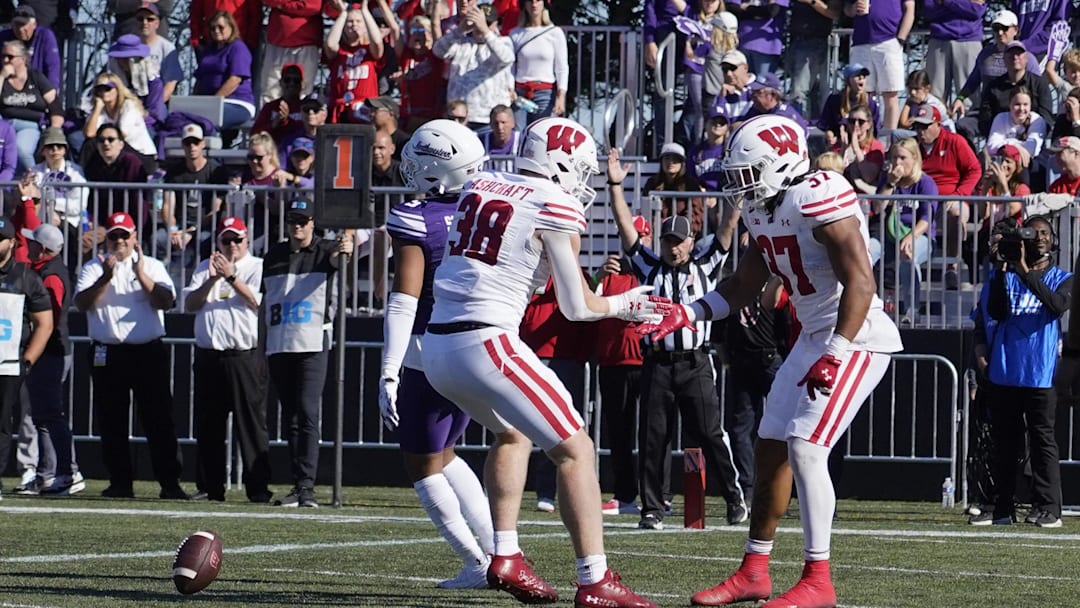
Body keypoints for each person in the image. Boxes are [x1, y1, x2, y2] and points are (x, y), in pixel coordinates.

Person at [643, 114, 903, 607]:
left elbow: (862, 282)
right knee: (769, 447)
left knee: (806, 447)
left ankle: (818, 581)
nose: (740, 186)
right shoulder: (764, 209)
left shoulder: (819, 193)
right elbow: (744, 285)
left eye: (747, 173)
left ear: (780, 163)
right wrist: (690, 312)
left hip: (857, 336)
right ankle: (755, 570)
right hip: (813, 339)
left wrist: (836, 352)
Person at [420, 116, 660, 607]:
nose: (585, 183)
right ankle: (595, 579)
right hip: (487, 341)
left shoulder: (481, 183)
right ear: (564, 162)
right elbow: (577, 307)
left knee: (514, 433)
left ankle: (504, 554)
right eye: (583, 170)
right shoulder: (555, 202)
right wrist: (627, 303)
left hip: (439, 346)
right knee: (577, 450)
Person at [381, 120, 496, 587]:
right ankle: (498, 552)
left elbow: (404, 298)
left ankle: (478, 562)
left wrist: (388, 370)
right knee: (446, 454)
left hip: (429, 349)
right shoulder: (488, 208)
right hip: (481, 343)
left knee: (422, 461)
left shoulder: (415, 216)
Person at [607, 150, 747, 531]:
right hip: (656, 363)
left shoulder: (705, 264)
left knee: (709, 433)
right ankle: (652, 508)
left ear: (690, 242)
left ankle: (735, 499)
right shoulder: (650, 265)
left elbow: (727, 230)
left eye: (679, 241)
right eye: (668, 240)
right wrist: (616, 186)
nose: (672, 246)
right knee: (653, 438)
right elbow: (625, 228)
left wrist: (737, 192)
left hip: (695, 363)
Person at [74, 211, 188, 499]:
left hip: (146, 350)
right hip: (107, 351)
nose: (120, 241)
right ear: (107, 239)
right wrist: (106, 278)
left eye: (125, 235)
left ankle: (170, 483)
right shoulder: (93, 266)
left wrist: (140, 274)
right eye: (114, 236)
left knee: (158, 419)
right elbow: (82, 303)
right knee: (111, 420)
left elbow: (166, 301)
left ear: (135, 237)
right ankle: (120, 481)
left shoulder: (152, 265)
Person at [969, 215, 1070, 528]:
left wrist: (1024, 270)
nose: (1040, 238)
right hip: (1005, 371)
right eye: (1034, 233)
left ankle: (1048, 508)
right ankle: (1001, 507)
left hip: (1040, 373)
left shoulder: (1064, 277)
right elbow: (997, 311)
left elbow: (1056, 305)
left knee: (1043, 442)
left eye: (1045, 233)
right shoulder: (1007, 275)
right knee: (1005, 444)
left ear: (1053, 241)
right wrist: (1004, 269)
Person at [262, 200, 353, 508]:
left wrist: (346, 248)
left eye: (303, 220)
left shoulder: (326, 249)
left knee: (307, 412)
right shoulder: (274, 254)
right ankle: (297, 485)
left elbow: (341, 261)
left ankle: (307, 487)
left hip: (313, 341)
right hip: (279, 342)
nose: (297, 226)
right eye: (293, 221)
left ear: (314, 222)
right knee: (290, 417)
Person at [184, 217, 272, 503]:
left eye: (237, 240)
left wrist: (232, 277)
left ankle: (258, 488)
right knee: (209, 427)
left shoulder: (257, 267)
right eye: (226, 240)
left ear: (246, 241)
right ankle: (211, 487)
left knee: (251, 425)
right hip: (210, 355)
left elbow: (258, 303)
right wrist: (212, 277)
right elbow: (189, 305)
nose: (232, 245)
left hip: (243, 355)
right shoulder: (203, 267)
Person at [22, 223, 83, 495]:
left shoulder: (51, 276)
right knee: (43, 416)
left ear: (43, 249)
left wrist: (33, 350)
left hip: (51, 352)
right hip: (49, 351)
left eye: (33, 243)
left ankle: (68, 471)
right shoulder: (47, 270)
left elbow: (50, 320)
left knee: (51, 415)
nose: (29, 246)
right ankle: (48, 473)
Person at [720, 274, 792, 499]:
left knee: (777, 426)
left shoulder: (735, 288)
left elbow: (784, 324)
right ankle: (753, 488)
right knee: (747, 427)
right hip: (754, 361)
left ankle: (768, 487)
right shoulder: (733, 288)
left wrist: (727, 361)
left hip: (764, 359)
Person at [0, 216, 52, 501]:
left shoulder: (25, 277)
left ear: (12, 242)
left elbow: (44, 322)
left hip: (8, 361)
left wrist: (27, 360)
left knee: (3, 424)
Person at [870, 137, 938, 324]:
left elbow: (927, 217)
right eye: (894, 158)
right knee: (866, 251)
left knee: (909, 254)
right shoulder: (888, 179)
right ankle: (866, 306)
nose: (897, 163)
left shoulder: (925, 182)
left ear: (914, 159)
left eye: (902, 158)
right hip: (889, 236)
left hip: (919, 235)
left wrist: (911, 236)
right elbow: (877, 208)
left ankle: (911, 311)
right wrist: (890, 184)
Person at [913, 105, 981, 289]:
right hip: (920, 202)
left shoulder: (955, 142)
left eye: (925, 126)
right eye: (917, 127)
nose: (921, 131)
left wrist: (959, 194)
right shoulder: (912, 146)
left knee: (956, 212)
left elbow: (974, 170)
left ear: (938, 124)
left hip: (951, 198)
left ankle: (951, 267)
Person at [433, 0, 514, 129]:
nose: (480, 27)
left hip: (489, 120)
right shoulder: (460, 43)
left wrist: (486, 32)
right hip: (459, 117)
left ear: (495, 24)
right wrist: (460, 29)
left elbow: (506, 58)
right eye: (478, 23)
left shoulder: (503, 42)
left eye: (487, 23)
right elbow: (438, 51)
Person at [0, 39, 63, 173]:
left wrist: (55, 128)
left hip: (29, 125)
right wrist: (2, 76)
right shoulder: (1, 77)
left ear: (23, 59)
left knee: (21, 149)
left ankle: (34, 180)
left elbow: (54, 104)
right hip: (4, 124)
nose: (5, 60)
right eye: (3, 56)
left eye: (10, 57)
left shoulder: (35, 76)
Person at [324, 0, 385, 123]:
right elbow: (330, 45)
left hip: (364, 108)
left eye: (358, 21)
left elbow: (378, 42)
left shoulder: (369, 51)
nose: (354, 25)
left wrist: (365, 11)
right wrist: (342, 14)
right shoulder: (340, 51)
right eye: (350, 22)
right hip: (340, 110)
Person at [194, 11, 256, 130]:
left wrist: (214, 102)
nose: (216, 31)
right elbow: (200, 79)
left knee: (205, 120)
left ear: (231, 27)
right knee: (180, 118)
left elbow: (235, 79)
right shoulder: (209, 51)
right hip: (209, 104)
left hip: (237, 103)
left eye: (221, 27)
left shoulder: (238, 48)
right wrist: (194, 102)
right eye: (212, 28)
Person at [510, 0, 567, 126]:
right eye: (530, 1)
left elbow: (562, 67)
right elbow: (511, 66)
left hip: (545, 92)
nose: (534, 4)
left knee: (541, 133)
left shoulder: (555, 33)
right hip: (520, 92)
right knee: (519, 134)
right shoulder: (515, 34)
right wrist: (510, 88)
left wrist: (561, 95)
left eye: (537, 1)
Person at [82, 124, 149, 229]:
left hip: (130, 225)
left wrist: (136, 230)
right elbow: (91, 199)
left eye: (111, 139)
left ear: (121, 144)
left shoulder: (132, 162)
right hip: (104, 224)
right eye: (101, 140)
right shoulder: (93, 164)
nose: (106, 143)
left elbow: (137, 200)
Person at [785, 0, 842, 119]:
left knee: (800, 91)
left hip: (814, 41)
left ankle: (801, 124)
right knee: (798, 90)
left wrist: (812, 1)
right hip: (795, 41)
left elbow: (834, 13)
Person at [82, 73, 157, 161]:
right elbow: (89, 134)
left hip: (140, 154)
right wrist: (97, 109)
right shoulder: (100, 109)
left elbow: (122, 135)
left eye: (107, 89)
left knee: (107, 143)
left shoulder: (128, 105)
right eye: (100, 89)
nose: (103, 92)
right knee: (90, 144)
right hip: (118, 151)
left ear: (117, 90)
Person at [259, 0, 322, 104]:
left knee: (303, 91)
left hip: (306, 43)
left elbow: (314, 6)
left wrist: (282, 5)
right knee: (270, 90)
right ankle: (271, 118)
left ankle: (298, 119)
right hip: (277, 42)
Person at [921, 0, 984, 101]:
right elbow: (928, 10)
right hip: (938, 41)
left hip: (969, 41)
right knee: (935, 97)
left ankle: (968, 117)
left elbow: (976, 10)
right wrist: (962, 5)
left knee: (970, 98)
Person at [394, 14, 448, 132]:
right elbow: (395, 29)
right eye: (414, 30)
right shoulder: (406, 55)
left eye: (422, 30)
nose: (417, 34)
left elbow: (436, 29)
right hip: (408, 117)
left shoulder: (435, 56)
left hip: (430, 116)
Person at [819, 64, 880, 148]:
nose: (861, 78)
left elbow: (875, 130)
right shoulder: (834, 100)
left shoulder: (870, 102)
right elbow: (826, 125)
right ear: (848, 80)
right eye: (857, 75)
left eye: (864, 76)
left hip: (864, 145)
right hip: (839, 145)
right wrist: (830, 136)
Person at [0, 5, 60, 90]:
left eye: (24, 24)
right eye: (17, 25)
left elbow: (52, 68)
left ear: (34, 24)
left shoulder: (45, 36)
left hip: (38, 91)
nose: (20, 29)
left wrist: (51, 93)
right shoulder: (3, 38)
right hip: (9, 92)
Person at [251, 63, 307, 145]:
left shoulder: (307, 107)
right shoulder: (270, 107)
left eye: (296, 80)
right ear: (281, 82)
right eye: (287, 80)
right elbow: (254, 134)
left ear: (302, 84)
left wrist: (287, 121)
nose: (291, 83)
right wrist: (274, 123)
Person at [833, 104, 885, 194]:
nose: (856, 125)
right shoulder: (840, 144)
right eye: (852, 121)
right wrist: (843, 149)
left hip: (865, 198)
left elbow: (869, 177)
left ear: (868, 125)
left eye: (861, 122)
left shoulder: (875, 146)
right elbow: (833, 175)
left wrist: (856, 149)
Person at [479, 104, 520, 172]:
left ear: (512, 123)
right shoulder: (481, 142)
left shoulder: (522, 142)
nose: (500, 127)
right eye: (496, 123)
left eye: (503, 122)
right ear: (490, 124)